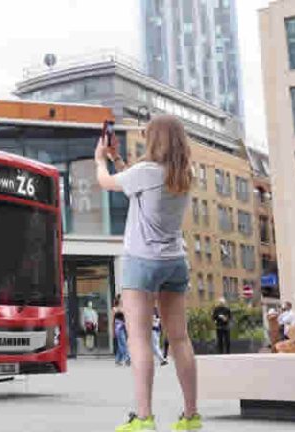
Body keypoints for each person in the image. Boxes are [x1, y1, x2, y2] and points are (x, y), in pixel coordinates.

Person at [96, 115, 201, 431]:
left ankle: (144, 419)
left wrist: (101, 160)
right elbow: (137, 181)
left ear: (157, 140)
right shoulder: (185, 175)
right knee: (180, 339)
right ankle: (191, 416)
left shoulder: (147, 172)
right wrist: (118, 158)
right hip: (174, 262)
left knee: (139, 339)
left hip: (142, 262)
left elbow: (107, 183)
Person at [113, 294, 131, 366]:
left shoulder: (123, 308)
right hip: (118, 328)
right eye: (121, 300)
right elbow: (113, 321)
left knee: (121, 344)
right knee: (123, 343)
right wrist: (113, 331)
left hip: (123, 327)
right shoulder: (115, 309)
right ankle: (127, 358)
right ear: (119, 301)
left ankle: (118, 360)